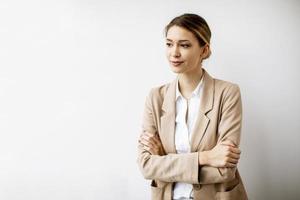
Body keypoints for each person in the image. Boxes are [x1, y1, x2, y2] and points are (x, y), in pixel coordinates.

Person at [137, 13, 248, 200]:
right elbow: (147, 166)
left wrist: (165, 160)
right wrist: (206, 158)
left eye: (185, 45)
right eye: (169, 44)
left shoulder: (227, 93)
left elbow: (224, 170)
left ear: (204, 50)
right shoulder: (155, 97)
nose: (174, 53)